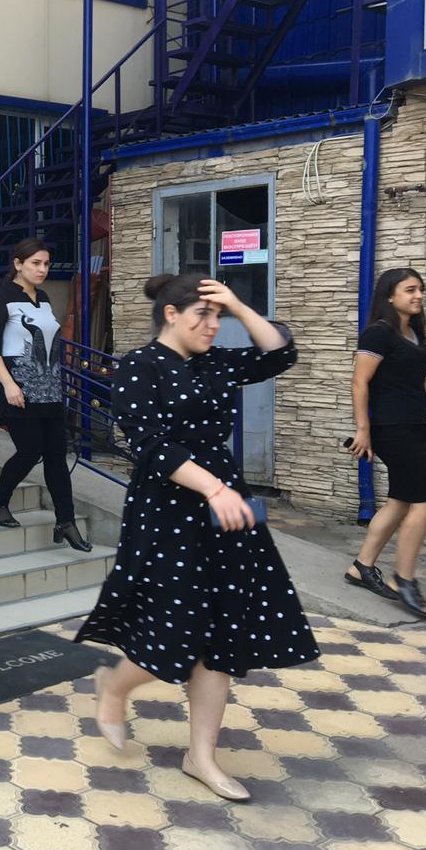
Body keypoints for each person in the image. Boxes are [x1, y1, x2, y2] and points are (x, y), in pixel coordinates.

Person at [76, 273, 319, 802]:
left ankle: (201, 756)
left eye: (217, 317)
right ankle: (114, 685)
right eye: (202, 316)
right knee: (176, 623)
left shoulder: (216, 361)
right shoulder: (139, 365)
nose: (212, 326)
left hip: (223, 505)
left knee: (223, 631)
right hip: (168, 505)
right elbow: (149, 445)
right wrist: (212, 488)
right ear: (171, 314)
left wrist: (237, 305)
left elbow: (281, 354)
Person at [0, 238, 92, 552]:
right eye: (35, 263)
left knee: (56, 455)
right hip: (18, 388)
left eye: (46, 263)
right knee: (29, 451)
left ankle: (65, 522)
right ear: (18, 264)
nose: (42, 269)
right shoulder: (0, 297)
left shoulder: (42, 297)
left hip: (50, 388)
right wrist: (9, 384)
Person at [345, 267, 426, 618]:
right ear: (390, 296)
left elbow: (414, 381)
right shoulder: (379, 332)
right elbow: (359, 382)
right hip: (391, 427)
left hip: (412, 423)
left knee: (400, 500)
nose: (418, 295)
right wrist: (362, 429)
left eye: (420, 289)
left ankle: (361, 567)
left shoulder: (413, 333)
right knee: (424, 503)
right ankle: (403, 579)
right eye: (410, 289)